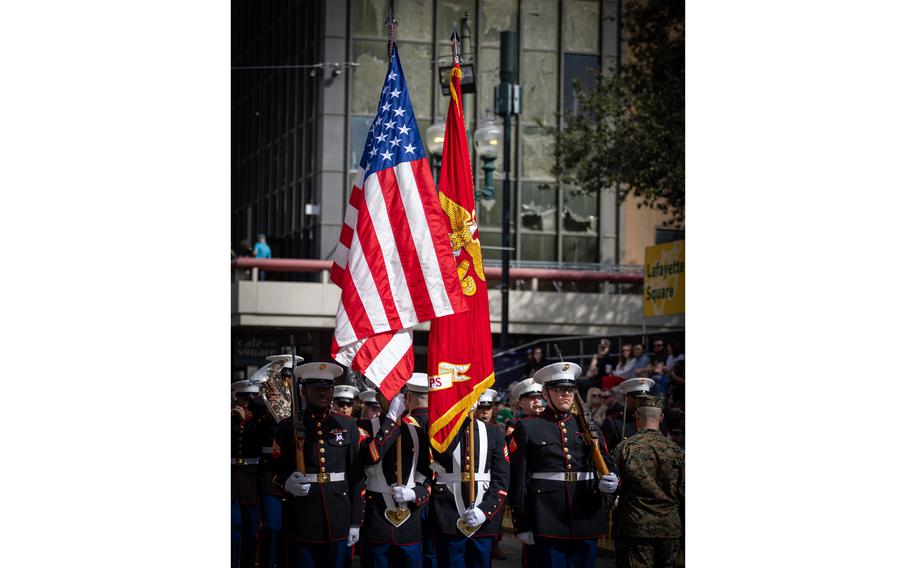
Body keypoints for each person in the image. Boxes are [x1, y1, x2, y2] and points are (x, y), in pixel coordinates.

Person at [508, 362, 619, 568]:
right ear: (545, 393)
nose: (566, 394)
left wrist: (612, 480)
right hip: (546, 517)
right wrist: (522, 523)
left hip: (586, 515)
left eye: (570, 389)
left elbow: (606, 461)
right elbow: (519, 480)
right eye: (559, 390)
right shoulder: (528, 427)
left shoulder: (587, 425)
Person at [272, 362, 371, 568]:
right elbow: (270, 471)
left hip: (337, 518)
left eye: (327, 388)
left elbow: (356, 475)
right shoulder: (286, 427)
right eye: (316, 388)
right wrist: (284, 483)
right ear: (304, 391)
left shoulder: (347, 425)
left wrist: (355, 521)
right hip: (301, 518)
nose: (323, 393)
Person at [357, 379, 433, 568]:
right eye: (388, 393)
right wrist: (391, 419)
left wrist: (415, 493)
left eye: (399, 392)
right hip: (376, 518)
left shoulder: (417, 430)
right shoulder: (364, 426)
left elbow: (427, 474)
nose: (394, 397)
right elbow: (371, 456)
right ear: (377, 397)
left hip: (410, 519)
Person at [428, 399, 510, 568]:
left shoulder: (494, 431)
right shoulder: (440, 430)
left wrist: (485, 511)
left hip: (483, 513)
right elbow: (436, 461)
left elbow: (501, 477)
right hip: (447, 512)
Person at [611, 396, 684, 568]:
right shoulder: (676, 451)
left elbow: (611, 487)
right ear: (661, 418)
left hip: (636, 527)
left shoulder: (625, 449)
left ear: (636, 416)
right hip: (670, 527)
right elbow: (683, 491)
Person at [231, 379, 267, 568]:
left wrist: (248, 421)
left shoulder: (261, 422)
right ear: (235, 399)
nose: (247, 404)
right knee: (233, 527)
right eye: (243, 399)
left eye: (251, 399)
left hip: (252, 479)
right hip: (232, 479)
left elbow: (260, 443)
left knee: (252, 529)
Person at [601, 377, 656, 451]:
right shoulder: (614, 423)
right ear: (626, 398)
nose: (642, 401)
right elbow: (606, 452)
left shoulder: (655, 420)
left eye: (645, 398)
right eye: (636, 397)